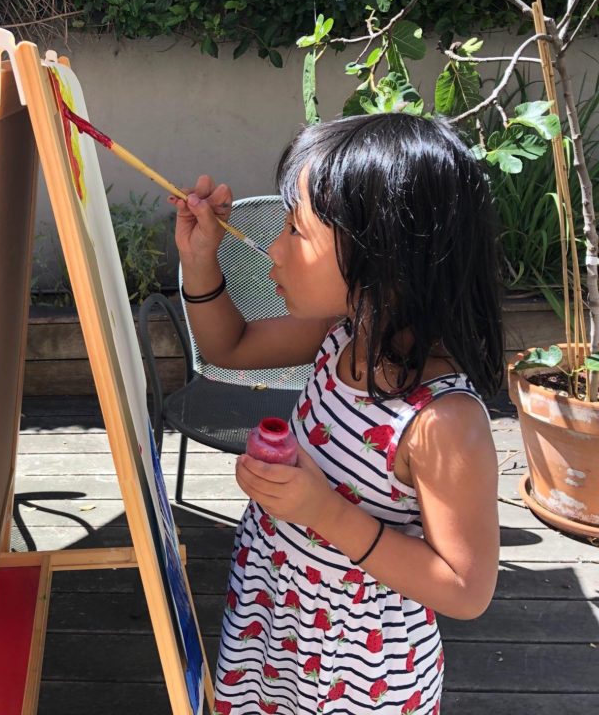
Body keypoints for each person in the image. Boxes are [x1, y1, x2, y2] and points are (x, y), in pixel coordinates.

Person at [173, 113, 503, 714]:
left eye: (295, 230)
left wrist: (322, 510)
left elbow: (465, 589)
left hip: (357, 671)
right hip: (274, 620)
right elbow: (228, 347)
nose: (273, 246)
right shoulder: (344, 332)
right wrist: (199, 261)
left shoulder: (442, 421)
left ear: (380, 255)